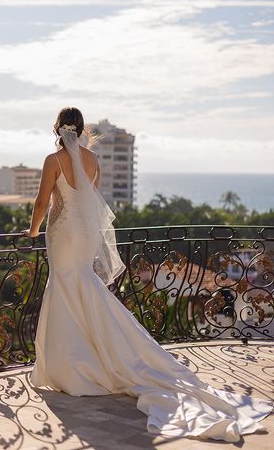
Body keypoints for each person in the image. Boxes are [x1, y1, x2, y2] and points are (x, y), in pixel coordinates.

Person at [22, 107, 272, 442]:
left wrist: (33, 230)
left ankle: (73, 367)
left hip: (62, 233)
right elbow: (90, 200)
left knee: (66, 287)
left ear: (57, 128)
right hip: (84, 234)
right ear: (82, 129)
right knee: (84, 285)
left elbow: (42, 202)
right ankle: (94, 358)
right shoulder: (94, 159)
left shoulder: (53, 160)